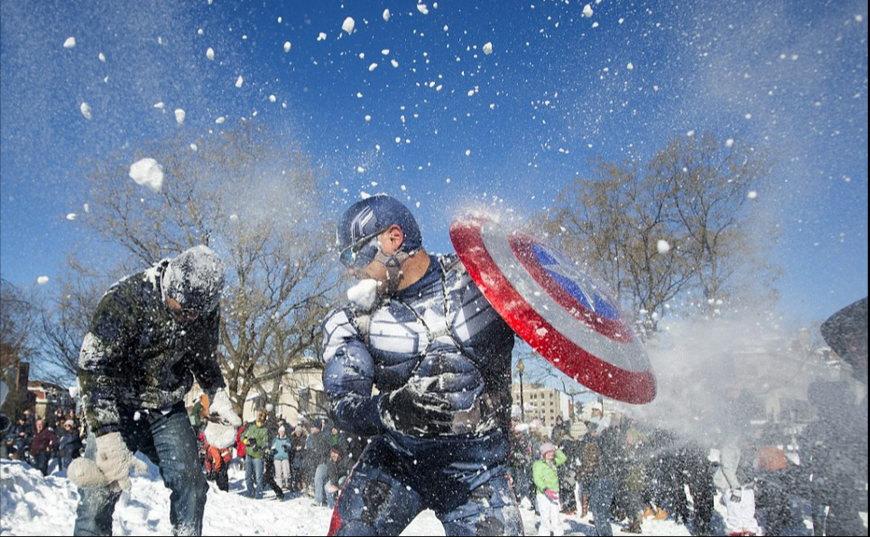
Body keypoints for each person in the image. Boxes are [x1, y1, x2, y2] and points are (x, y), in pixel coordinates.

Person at [321, 194, 522, 536]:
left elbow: (557, 320)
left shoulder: (487, 285)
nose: (351, 270)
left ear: (392, 238)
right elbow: (342, 405)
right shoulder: (354, 320)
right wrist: (389, 410)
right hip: (395, 461)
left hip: (477, 469)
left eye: (354, 254)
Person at [67, 245, 241, 536]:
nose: (189, 318)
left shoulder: (203, 309)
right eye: (183, 310)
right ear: (170, 285)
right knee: (98, 494)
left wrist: (218, 394)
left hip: (166, 407)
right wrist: (107, 436)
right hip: (118, 405)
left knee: (192, 486)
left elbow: (204, 356)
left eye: (197, 313)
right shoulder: (126, 298)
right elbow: (94, 367)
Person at [533, 442, 567, 537]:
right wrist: (545, 489)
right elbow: (537, 478)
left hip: (554, 492)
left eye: (552, 454)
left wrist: (556, 449)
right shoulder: (538, 464)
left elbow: (563, 458)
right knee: (545, 515)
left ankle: (558, 532)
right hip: (543, 494)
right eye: (549, 454)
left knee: (555, 514)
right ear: (544, 454)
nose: (551, 456)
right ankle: (544, 532)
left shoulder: (553, 462)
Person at [241, 408, 270, 499]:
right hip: (249, 454)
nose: (258, 417)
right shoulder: (251, 427)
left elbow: (265, 443)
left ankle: (259, 494)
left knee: (258, 477)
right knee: (247, 476)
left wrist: (256, 443)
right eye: (258, 415)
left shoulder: (264, 430)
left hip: (258, 456)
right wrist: (246, 441)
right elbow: (242, 436)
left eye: (260, 415)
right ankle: (250, 493)